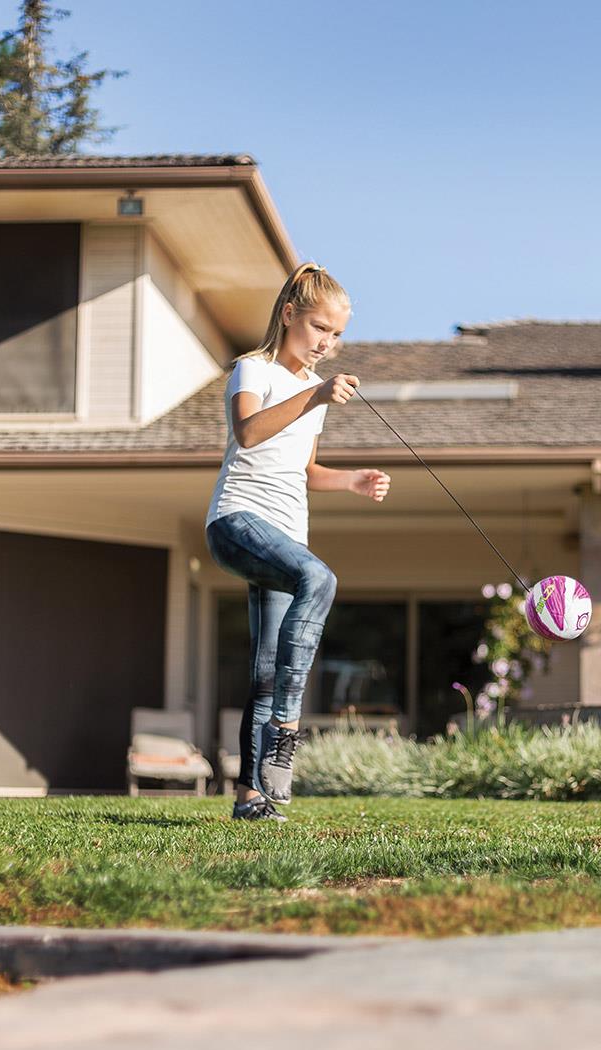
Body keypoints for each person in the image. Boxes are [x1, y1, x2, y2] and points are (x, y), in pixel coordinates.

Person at [205, 263, 390, 820]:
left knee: (264, 672)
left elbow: (302, 470)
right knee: (319, 576)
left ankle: (250, 799)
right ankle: (288, 725)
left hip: (283, 534)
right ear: (289, 315)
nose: (327, 344)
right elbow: (250, 432)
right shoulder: (252, 369)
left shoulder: (312, 390)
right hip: (238, 523)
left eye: (336, 335)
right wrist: (315, 400)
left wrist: (352, 481)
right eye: (318, 328)